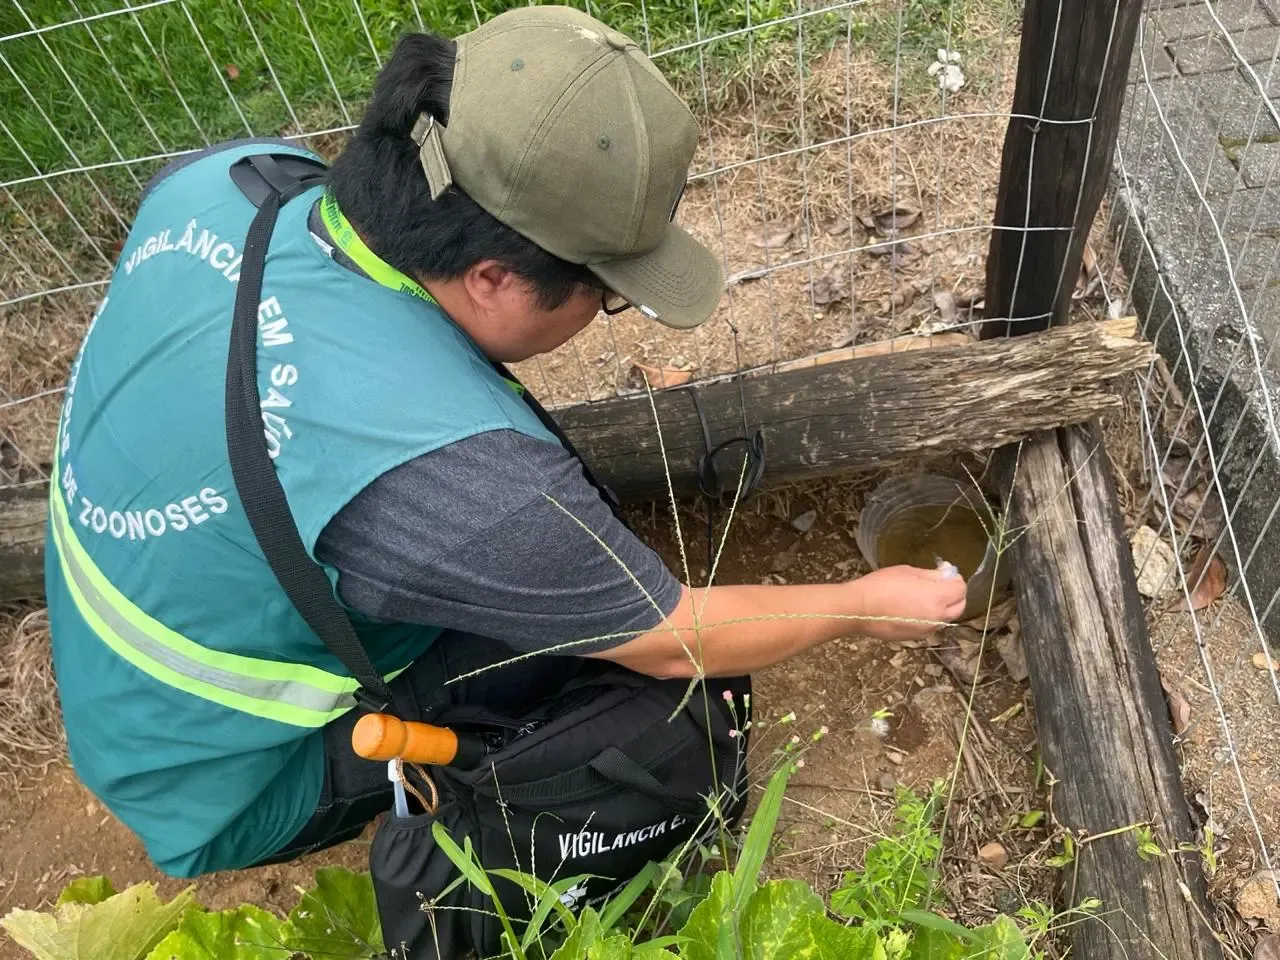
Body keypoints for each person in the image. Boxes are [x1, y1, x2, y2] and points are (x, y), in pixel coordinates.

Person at [44, 5, 966, 892]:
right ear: (493, 278)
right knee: (642, 693)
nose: (602, 316)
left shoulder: (233, 181)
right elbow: (679, 639)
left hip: (124, 677)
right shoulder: (466, 490)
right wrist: (865, 603)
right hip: (223, 782)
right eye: (603, 294)